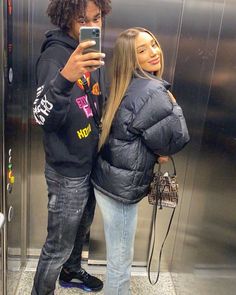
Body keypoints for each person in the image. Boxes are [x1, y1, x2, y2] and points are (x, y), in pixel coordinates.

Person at [91, 27, 190, 295]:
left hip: (108, 182)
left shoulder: (127, 83)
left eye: (154, 44)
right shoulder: (154, 91)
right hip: (121, 190)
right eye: (142, 50)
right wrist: (174, 103)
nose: (154, 52)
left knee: (117, 255)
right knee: (121, 261)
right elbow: (176, 139)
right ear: (131, 59)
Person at [31, 0, 111, 294]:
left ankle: (72, 271)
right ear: (66, 20)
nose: (91, 25)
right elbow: (41, 116)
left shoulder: (93, 53)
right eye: (82, 19)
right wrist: (65, 78)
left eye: (97, 17)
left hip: (89, 161)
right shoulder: (55, 57)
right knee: (58, 245)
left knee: (81, 229)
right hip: (66, 171)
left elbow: (94, 101)